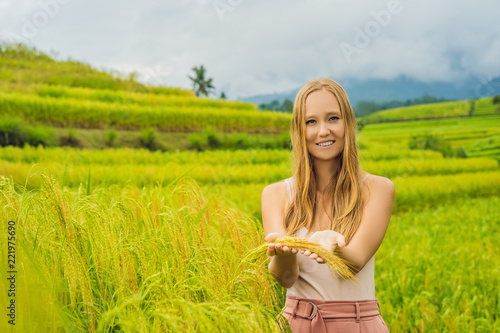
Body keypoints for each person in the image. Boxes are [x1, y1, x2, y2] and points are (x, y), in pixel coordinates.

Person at [261, 78, 395, 332]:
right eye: (311, 121)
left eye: (333, 118)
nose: (323, 131)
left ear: (348, 123)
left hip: (357, 324)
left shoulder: (378, 189)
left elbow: (353, 263)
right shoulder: (275, 194)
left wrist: (332, 248)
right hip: (296, 323)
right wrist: (285, 253)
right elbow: (286, 278)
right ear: (299, 130)